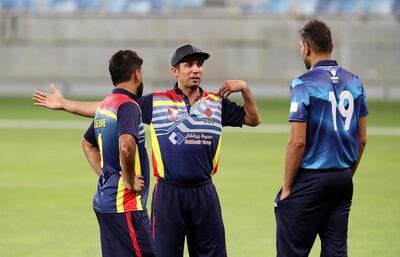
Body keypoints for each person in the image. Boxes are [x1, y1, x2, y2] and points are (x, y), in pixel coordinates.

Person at [33, 44, 261, 257]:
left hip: (204, 193)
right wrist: (65, 104)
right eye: (189, 65)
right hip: (168, 194)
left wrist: (245, 89)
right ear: (175, 71)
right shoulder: (157, 101)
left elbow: (253, 119)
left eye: (199, 65)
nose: (195, 70)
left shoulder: (216, 102)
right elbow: (111, 107)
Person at [274, 20, 368, 257]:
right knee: (336, 252)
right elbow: (362, 139)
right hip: (343, 179)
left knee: (291, 251)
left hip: (311, 180)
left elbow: (297, 142)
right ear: (332, 46)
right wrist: (345, 173)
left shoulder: (303, 83)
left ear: (306, 47)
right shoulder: (355, 82)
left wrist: (287, 188)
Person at [81, 50, 154, 257]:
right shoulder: (128, 106)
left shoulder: (106, 105)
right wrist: (129, 179)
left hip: (105, 201)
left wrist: (109, 175)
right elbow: (126, 144)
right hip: (126, 205)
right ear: (137, 74)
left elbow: (87, 144)